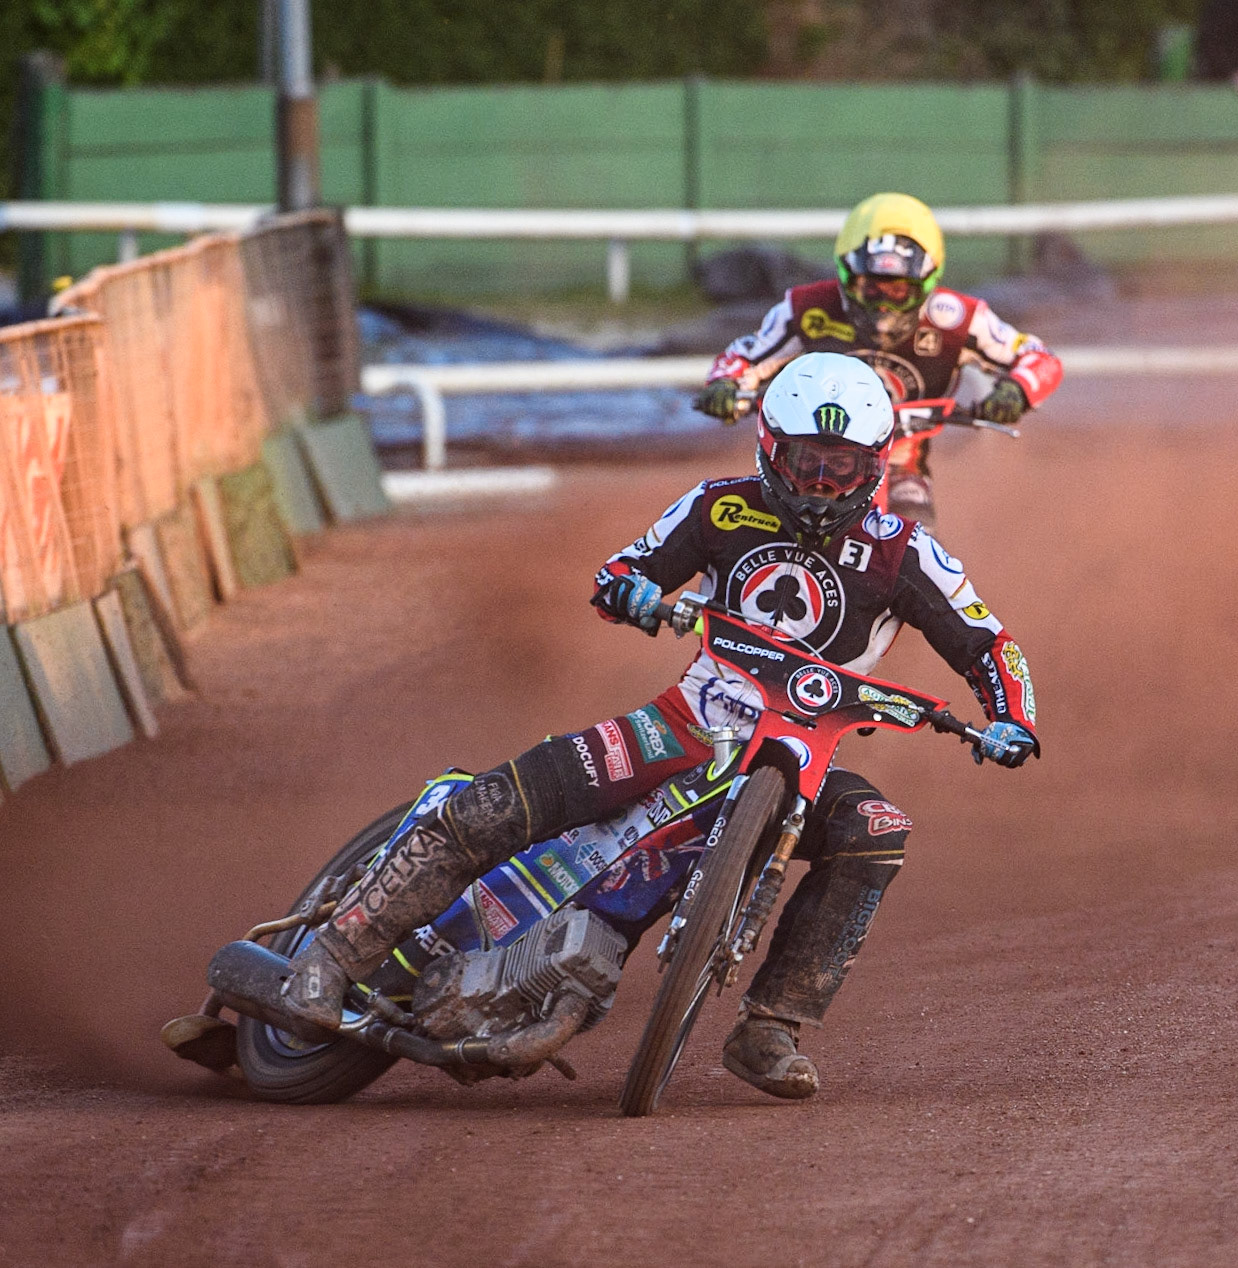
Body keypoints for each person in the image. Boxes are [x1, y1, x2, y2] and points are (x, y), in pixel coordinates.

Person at [279, 352, 1041, 1099]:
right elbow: (621, 570)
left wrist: (1013, 718)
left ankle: (771, 1027)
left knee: (875, 829)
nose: (819, 484)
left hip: (801, 758)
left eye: (840, 468)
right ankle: (330, 957)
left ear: (875, 465)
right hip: (682, 725)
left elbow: (990, 644)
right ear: (769, 448)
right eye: (806, 462)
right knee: (496, 804)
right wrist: (633, 594)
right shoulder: (719, 506)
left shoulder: (907, 553)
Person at [693, 192, 1063, 526]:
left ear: (927, 282)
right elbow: (743, 355)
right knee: (767, 528)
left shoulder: (956, 319)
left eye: (898, 290)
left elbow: (1039, 358)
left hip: (901, 463)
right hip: (806, 461)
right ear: (847, 276)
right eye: (871, 288)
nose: (884, 305)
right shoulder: (808, 308)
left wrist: (1016, 391)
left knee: (916, 538)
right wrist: (724, 385)